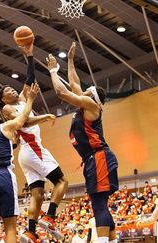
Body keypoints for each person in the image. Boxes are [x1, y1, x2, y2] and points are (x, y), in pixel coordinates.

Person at [47, 43, 119, 243]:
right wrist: (70, 61)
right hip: (93, 159)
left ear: (93, 97)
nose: (82, 92)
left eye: (87, 91)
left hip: (99, 157)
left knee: (98, 203)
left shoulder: (91, 105)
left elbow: (63, 92)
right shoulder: (85, 106)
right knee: (100, 202)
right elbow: (74, 82)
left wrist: (53, 71)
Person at [0, 37, 68, 243]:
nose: (12, 90)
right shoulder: (8, 109)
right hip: (33, 149)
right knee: (62, 181)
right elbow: (24, 122)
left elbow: (29, 78)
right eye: (7, 92)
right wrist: (45, 116)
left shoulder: (21, 100)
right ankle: (50, 217)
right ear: (3, 99)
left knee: (37, 194)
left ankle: (30, 232)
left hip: (27, 155)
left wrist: (29, 54)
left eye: (12, 89)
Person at [0, 83, 40, 243]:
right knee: (10, 226)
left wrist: (13, 145)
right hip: (3, 175)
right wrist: (30, 99)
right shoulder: (5, 126)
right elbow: (23, 118)